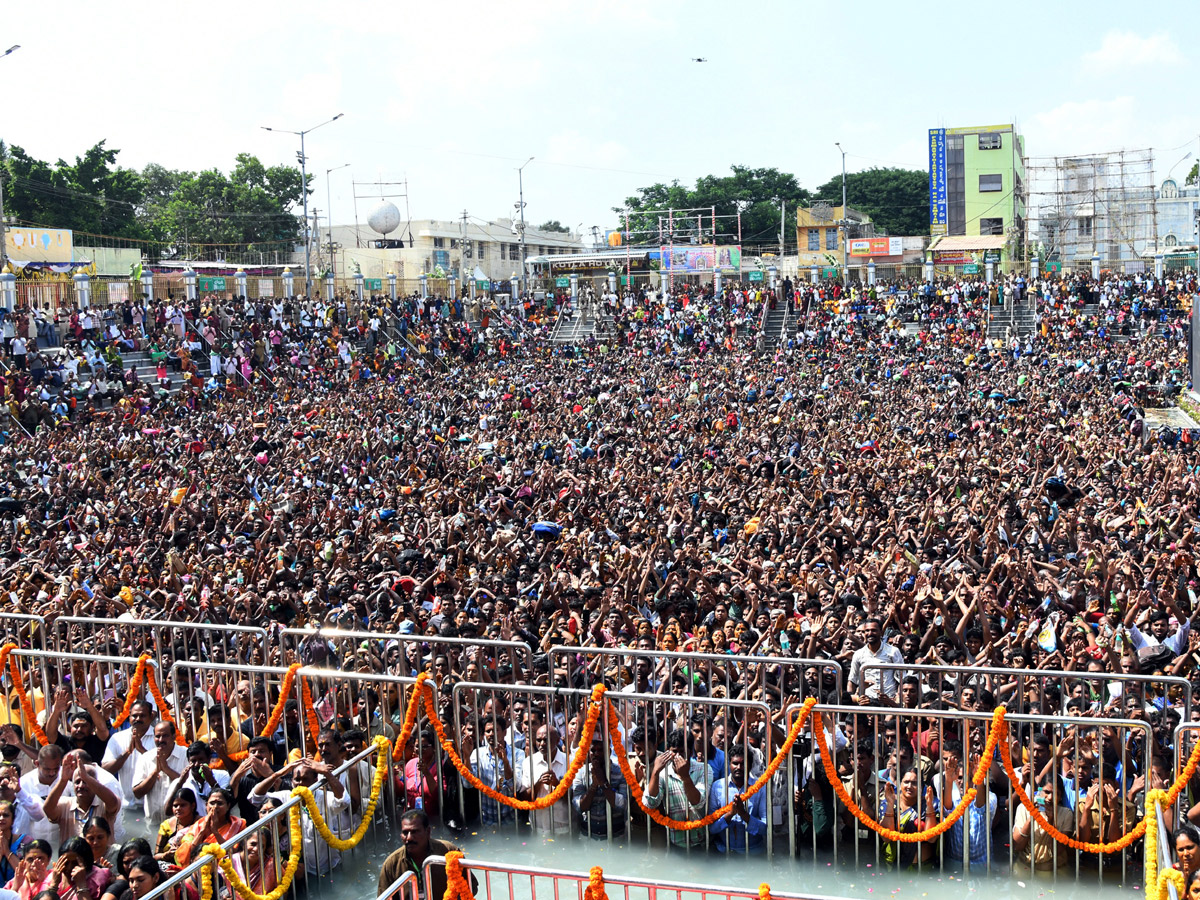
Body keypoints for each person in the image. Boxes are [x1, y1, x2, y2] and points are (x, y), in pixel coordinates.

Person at [376, 810, 473, 900]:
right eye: (405, 833)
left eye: (415, 832)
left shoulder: (448, 852)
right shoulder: (391, 864)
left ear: (428, 832)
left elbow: (471, 888)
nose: (409, 838)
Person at [707, 745, 765, 853]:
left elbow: (766, 828)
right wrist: (730, 815)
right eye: (735, 763)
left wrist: (743, 814)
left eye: (743, 764)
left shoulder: (761, 788)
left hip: (754, 853)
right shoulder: (717, 786)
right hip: (724, 851)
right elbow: (711, 828)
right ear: (729, 764)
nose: (739, 767)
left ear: (750, 765)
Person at [570, 737, 626, 839]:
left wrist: (603, 783)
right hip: (588, 837)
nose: (596, 754)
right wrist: (594, 786)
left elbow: (622, 805)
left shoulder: (620, 773)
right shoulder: (581, 773)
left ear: (608, 752)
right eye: (592, 750)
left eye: (600, 750)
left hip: (615, 837)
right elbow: (579, 807)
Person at [172, 788, 244, 866]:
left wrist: (215, 832)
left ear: (228, 806)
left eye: (220, 803)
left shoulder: (237, 825)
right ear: (206, 805)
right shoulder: (198, 825)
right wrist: (202, 831)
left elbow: (235, 852)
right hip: (198, 869)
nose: (215, 807)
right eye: (212, 803)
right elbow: (187, 853)